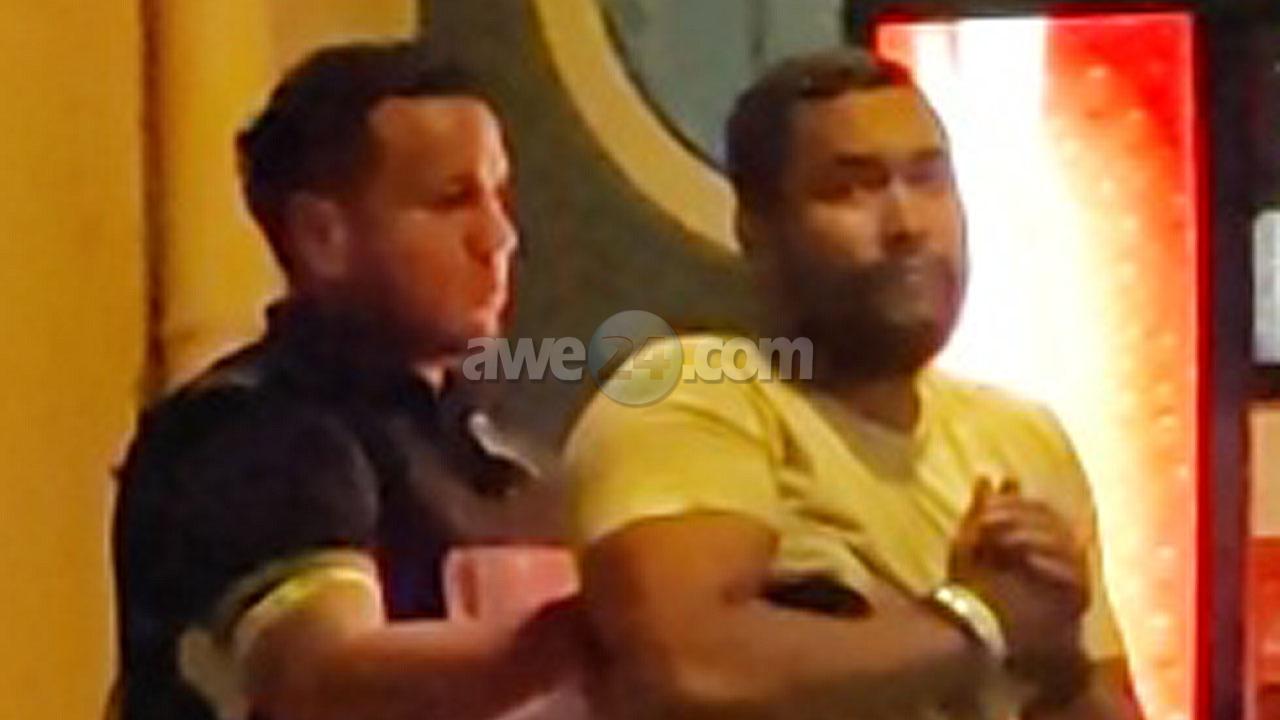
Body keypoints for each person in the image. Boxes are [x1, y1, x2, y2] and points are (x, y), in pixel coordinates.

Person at [564, 48, 1144, 719]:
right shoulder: (698, 393)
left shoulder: (1022, 436)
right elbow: (688, 663)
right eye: (850, 189)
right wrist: (976, 620)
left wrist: (1058, 665)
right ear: (757, 230)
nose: (907, 225)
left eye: (928, 179)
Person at [113, 41, 585, 720]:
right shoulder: (251, 435)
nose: (498, 237)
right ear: (321, 236)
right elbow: (320, 681)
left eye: (499, 196)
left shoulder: (494, 453)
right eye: (452, 200)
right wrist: (590, 631)